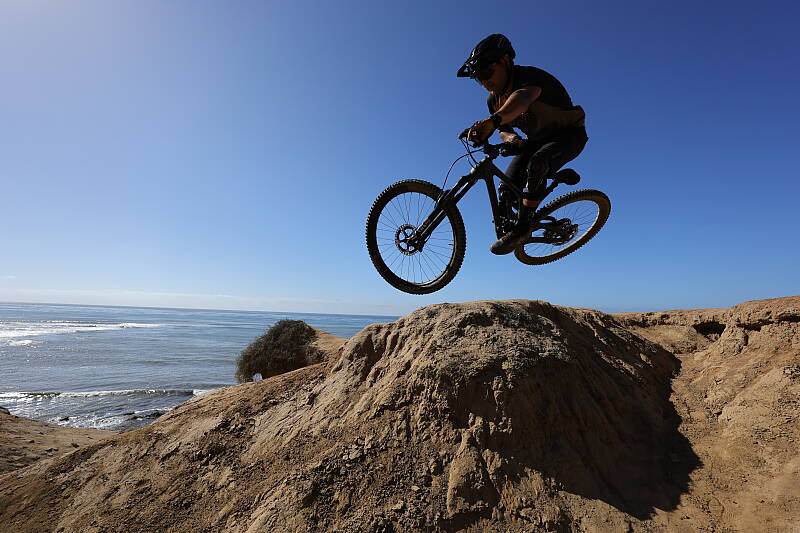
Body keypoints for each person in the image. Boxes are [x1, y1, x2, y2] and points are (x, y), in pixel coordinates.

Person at [457, 34, 588, 255]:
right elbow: (504, 129)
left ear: (505, 60)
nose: (485, 82)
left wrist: (493, 121)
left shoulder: (529, 77)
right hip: (535, 142)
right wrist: (512, 139)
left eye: (487, 72)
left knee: (537, 163)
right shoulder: (493, 100)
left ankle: (523, 228)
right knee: (506, 189)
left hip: (569, 135)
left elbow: (522, 99)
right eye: (479, 79)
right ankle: (524, 217)